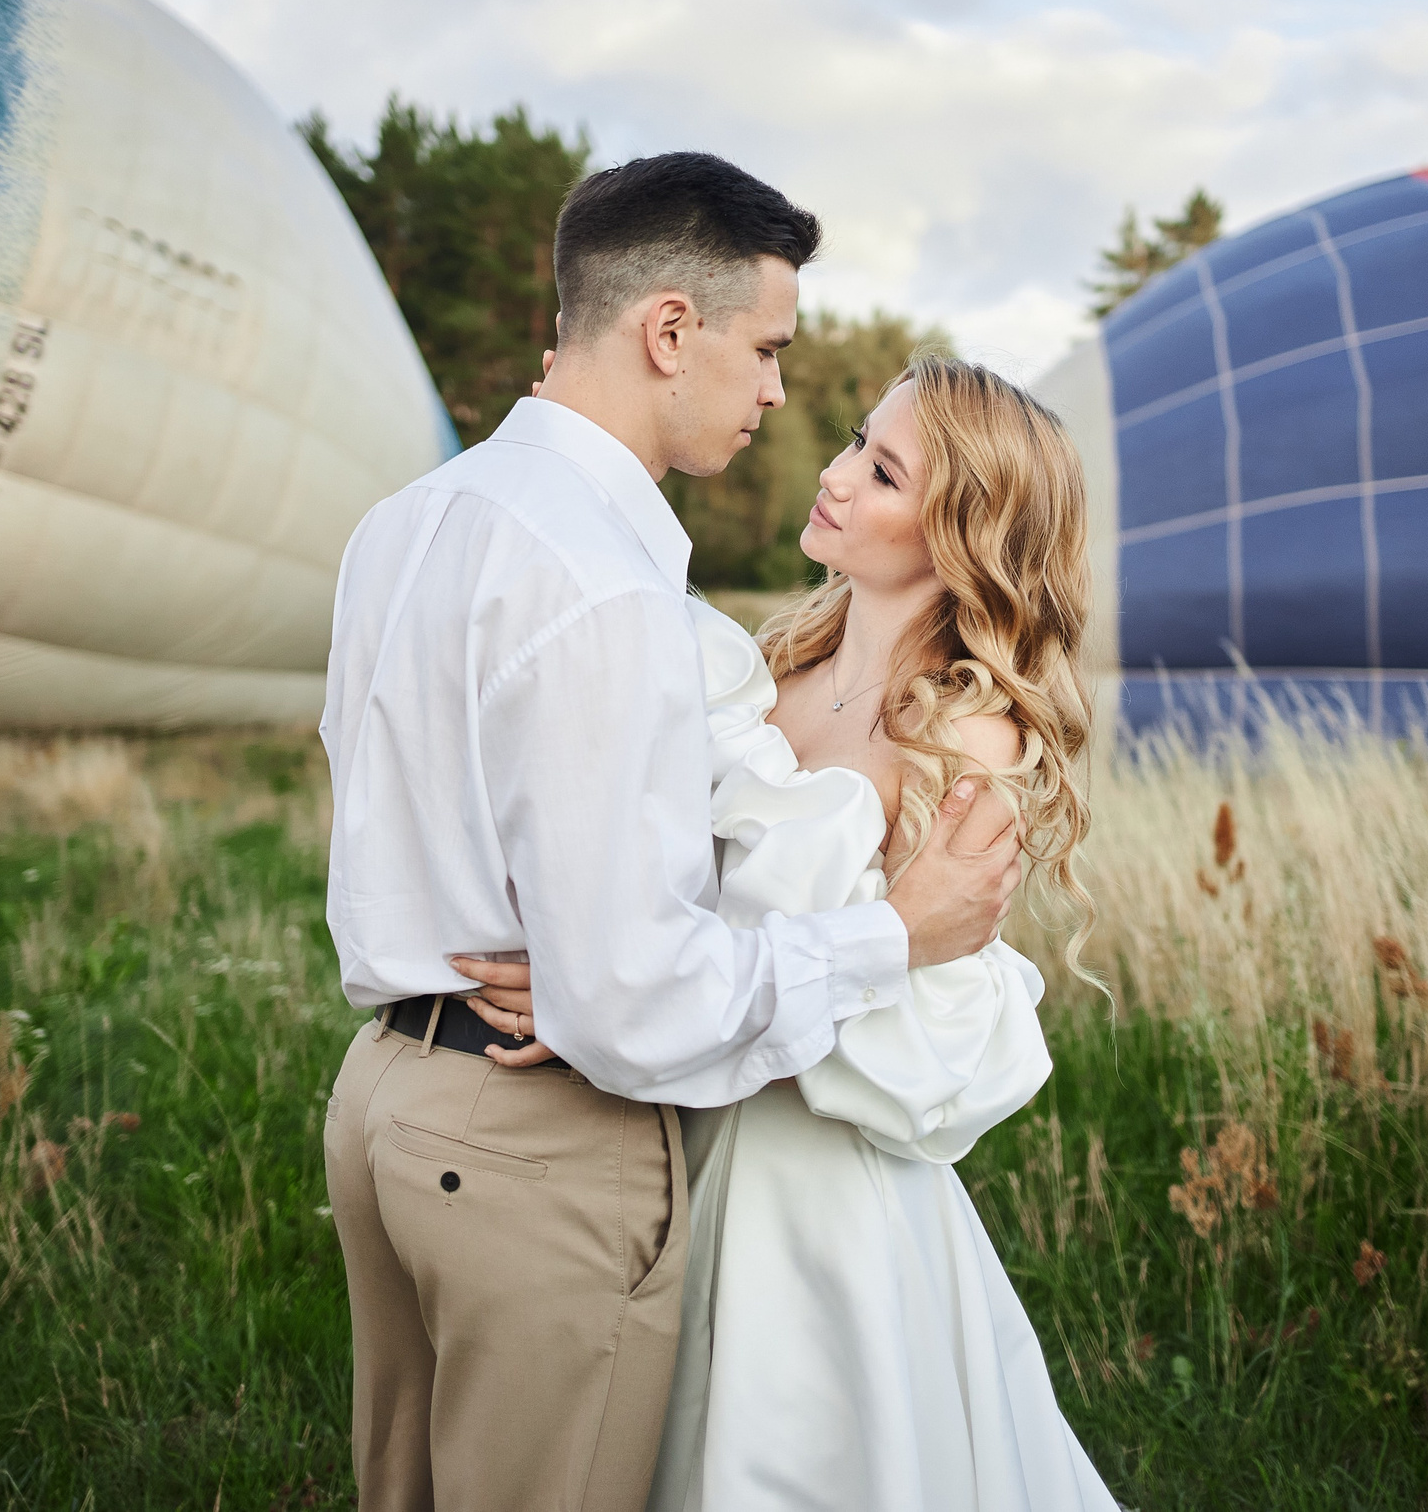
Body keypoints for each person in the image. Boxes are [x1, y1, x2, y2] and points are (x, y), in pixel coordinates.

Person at [316, 154, 1025, 1512]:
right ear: (667, 332)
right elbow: (634, 997)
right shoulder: (609, 586)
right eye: (765, 349)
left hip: (382, 1102)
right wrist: (882, 936)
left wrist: (583, 968)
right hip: (530, 1132)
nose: (775, 392)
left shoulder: (405, 524)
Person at [464, 355, 1119, 1510]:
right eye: (855, 442)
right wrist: (599, 990)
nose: (831, 475)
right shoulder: (775, 672)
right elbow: (674, 905)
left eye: (880, 470)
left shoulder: (970, 740)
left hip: (814, 1192)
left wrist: (634, 1011)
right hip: (679, 1132)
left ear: (960, 530)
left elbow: (918, 1025)